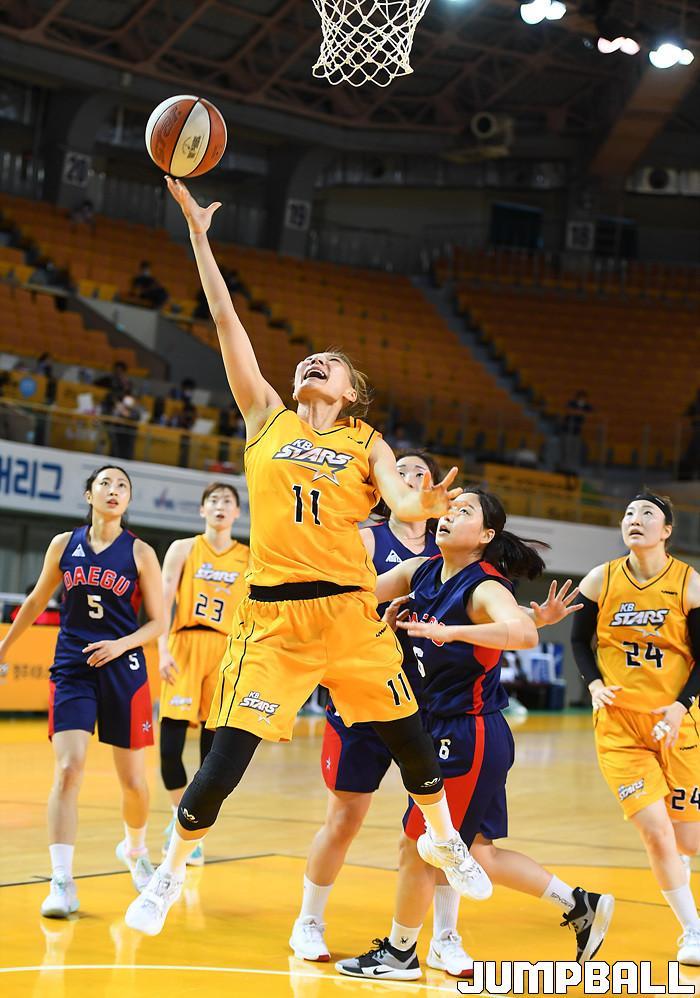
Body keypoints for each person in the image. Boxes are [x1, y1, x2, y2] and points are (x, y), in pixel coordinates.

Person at [125, 176, 489, 937]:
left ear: (351, 392)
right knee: (223, 765)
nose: (315, 362)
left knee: (410, 739)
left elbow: (400, 497)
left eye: (331, 362)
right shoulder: (266, 418)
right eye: (309, 359)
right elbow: (225, 318)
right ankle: (168, 874)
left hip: (351, 615)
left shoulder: (366, 441)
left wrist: (420, 506)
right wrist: (198, 236)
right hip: (274, 623)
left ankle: (446, 840)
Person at [337, 488, 613, 980]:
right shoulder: (419, 572)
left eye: (463, 511)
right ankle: (579, 904)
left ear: (485, 535)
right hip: (441, 728)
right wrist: (380, 619)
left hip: (468, 734)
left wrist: (454, 632)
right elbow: (354, 596)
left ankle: (400, 953)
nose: (448, 515)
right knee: (475, 851)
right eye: (448, 508)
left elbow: (523, 635)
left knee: (420, 844)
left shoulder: (485, 586)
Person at [290, 451, 451, 965]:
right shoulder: (365, 540)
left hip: (426, 703)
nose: (410, 478)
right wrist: (380, 619)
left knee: (439, 828)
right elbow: (333, 610)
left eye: (420, 472)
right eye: (400, 471)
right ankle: (308, 921)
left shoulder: (447, 549)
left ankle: (446, 937)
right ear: (384, 487)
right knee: (344, 818)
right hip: (362, 692)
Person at [0, 465, 164, 917]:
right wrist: (4, 646)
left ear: (128, 500)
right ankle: (62, 881)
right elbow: (36, 600)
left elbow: (158, 622)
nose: (114, 490)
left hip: (123, 668)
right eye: (105, 483)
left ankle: (134, 848)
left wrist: (121, 644)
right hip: (73, 667)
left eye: (122, 486)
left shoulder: (141, 552)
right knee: (68, 769)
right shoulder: (63, 544)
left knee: (134, 782)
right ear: (89, 494)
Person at [571, 491, 700, 965]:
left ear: (666, 531)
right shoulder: (600, 579)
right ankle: (693, 931)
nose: (635, 519)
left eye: (648, 513)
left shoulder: (688, 583)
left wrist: (681, 706)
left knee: (688, 841)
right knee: (657, 833)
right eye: (629, 513)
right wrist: (593, 684)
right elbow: (578, 641)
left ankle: (680, 861)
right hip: (619, 729)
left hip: (676, 724)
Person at [158, 481, 249, 867]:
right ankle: (177, 816)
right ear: (202, 509)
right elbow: (162, 599)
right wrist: (161, 648)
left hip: (226, 651)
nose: (219, 505)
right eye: (213, 500)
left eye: (227, 501)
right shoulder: (183, 548)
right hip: (183, 644)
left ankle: (191, 831)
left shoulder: (248, 556)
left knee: (210, 755)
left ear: (237, 513)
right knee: (169, 748)